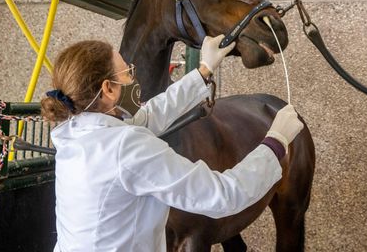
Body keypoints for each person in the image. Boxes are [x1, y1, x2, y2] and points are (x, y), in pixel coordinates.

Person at [41, 35, 304, 252]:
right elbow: (222, 195)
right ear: (108, 89)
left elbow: (151, 114)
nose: (134, 79)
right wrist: (276, 142)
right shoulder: (125, 147)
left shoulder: (74, 130)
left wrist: (204, 70)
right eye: (128, 73)